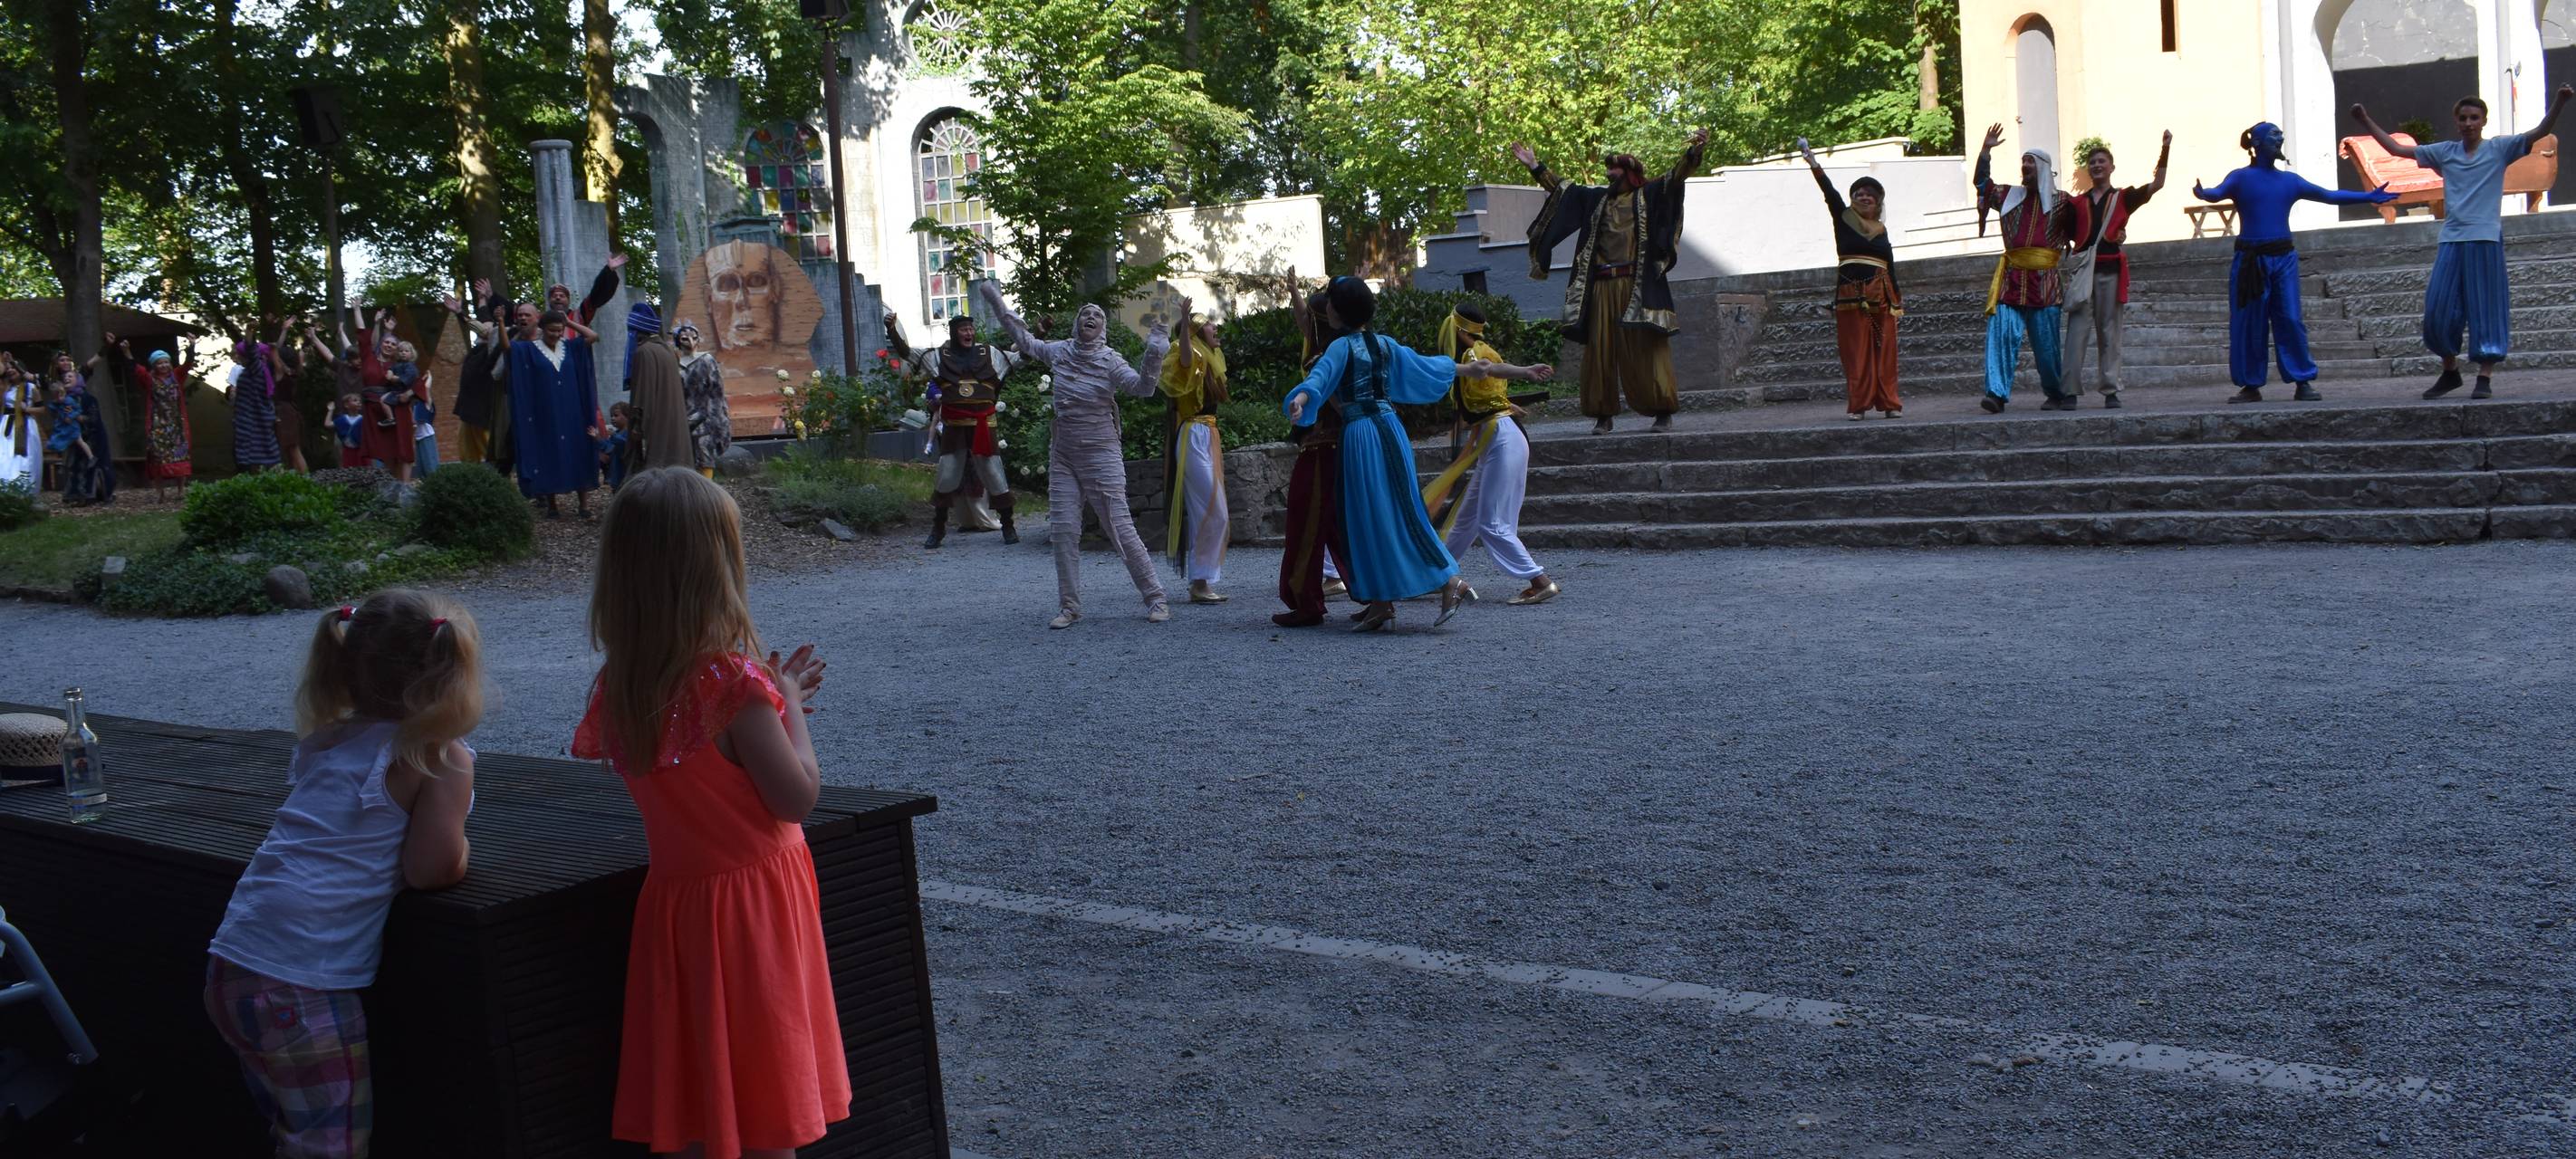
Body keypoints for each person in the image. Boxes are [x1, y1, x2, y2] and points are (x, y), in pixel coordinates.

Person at [572, 468, 848, 1159]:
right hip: (752, 913)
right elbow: (796, 797)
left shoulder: (622, 684)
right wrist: (788, 708)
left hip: (679, 912)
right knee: (768, 1101)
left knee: (709, 1094)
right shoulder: (734, 685)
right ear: (716, 566)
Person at [203, 590, 481, 1159]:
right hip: (302, 982)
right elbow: (431, 870)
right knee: (329, 1146)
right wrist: (464, 848)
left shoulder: (327, 740)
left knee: (291, 1128)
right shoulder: (439, 756)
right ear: (448, 674)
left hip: (234, 962)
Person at [1283, 277, 1552, 632]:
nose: (1327, 308)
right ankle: (1381, 602)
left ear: (1338, 310)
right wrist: (1468, 369)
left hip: (1363, 433)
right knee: (1380, 514)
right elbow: (1424, 365)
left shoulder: (1340, 348)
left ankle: (1449, 582)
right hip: (1389, 428)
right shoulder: (1383, 343)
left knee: (1378, 515)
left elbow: (1319, 379)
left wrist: (1301, 400)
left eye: (1331, 302)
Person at [2353, 85, 2574, 400]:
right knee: (2438, 311)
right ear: (2456, 122)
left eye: (2474, 117)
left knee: (2486, 309)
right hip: (2452, 240)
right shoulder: (2445, 152)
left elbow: (2539, 131)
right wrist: (2365, 120)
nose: (2469, 123)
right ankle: (2450, 371)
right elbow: (2396, 150)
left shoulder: (2500, 149)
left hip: (2484, 238)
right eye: (2463, 118)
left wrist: (2560, 102)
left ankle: (2484, 376)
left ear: (2483, 121)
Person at [976, 280, 1173, 629]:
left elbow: (1143, 388)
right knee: (1064, 531)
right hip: (1064, 453)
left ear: (1103, 327)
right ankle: (1070, 607)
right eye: (1086, 313)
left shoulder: (1110, 361)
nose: (1091, 316)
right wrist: (996, 300)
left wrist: (1155, 349)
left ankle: (1156, 597)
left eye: (1097, 315)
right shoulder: (1060, 352)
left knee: (1119, 527)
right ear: (1077, 324)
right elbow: (1024, 341)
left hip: (1101, 453)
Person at [1514, 129, 1708, 434]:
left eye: (1614, 170)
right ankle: (1603, 416)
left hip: (1636, 287)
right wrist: (1535, 167)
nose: (1608, 174)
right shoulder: (1596, 200)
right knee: (1600, 352)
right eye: (1607, 170)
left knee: (1646, 350)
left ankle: (1662, 411)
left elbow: (1676, 178)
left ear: (1629, 173)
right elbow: (1564, 191)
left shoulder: (1647, 195)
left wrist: (1694, 152)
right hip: (1601, 288)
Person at [2192, 122, 2398, 403]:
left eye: (2280, 135)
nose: (2280, 138)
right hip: (2251, 261)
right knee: (2249, 321)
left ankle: (2302, 380)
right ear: (2257, 144)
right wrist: (2205, 194)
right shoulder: (2240, 178)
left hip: (2283, 259)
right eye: (2274, 135)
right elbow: (2218, 192)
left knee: (2290, 318)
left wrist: (2368, 196)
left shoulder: (2290, 181)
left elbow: (2329, 195)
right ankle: (2250, 385)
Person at [1418, 305, 1561, 606]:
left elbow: (1490, 369)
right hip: (1498, 438)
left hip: (1501, 439)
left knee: (1491, 521)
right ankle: (1438, 575)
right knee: (1467, 517)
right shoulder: (1482, 348)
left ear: (1458, 330)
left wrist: (1524, 371)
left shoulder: (1472, 355)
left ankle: (1540, 581)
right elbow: (1490, 389)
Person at [889, 311, 1024, 548]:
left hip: (983, 425)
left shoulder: (989, 353)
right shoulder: (939, 356)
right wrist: (892, 330)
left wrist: (1040, 333)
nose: (968, 333)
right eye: (963, 330)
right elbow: (907, 353)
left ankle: (1008, 527)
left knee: (994, 473)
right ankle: (937, 529)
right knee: (947, 474)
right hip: (955, 427)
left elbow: (1021, 358)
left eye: (970, 329)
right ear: (954, 332)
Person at [1971, 123, 2081, 413]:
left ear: (2043, 167)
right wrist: (1985, 151)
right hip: (2011, 280)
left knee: (2046, 344)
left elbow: (2083, 227)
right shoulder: (2008, 195)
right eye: (2023, 162)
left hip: (2045, 282)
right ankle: (1995, 393)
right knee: (2001, 335)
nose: (2025, 166)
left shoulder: (2063, 201)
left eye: (2030, 161)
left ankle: (2056, 393)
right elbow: (1983, 184)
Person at [2061, 133, 2172, 409]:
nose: (2097, 165)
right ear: (2089, 169)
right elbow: (2064, 233)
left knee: (2110, 332)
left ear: (2111, 167)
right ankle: (2069, 391)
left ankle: (2111, 390)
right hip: (2084, 274)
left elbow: (2157, 184)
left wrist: (2165, 149)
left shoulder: (2124, 197)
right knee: (2076, 332)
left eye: (2102, 161)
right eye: (2093, 162)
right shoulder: (2074, 204)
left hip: (2110, 271)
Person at [1797, 138, 1904, 419]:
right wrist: (1813, 163)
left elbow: (1889, 263)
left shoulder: (1881, 229)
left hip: (1881, 294)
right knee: (1855, 352)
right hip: (1850, 293)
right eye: (1859, 193)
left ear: (1878, 202)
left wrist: (1897, 297)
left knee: (1885, 350)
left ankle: (1890, 404)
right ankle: (1859, 406)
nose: (1864, 197)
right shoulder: (1843, 217)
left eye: (1871, 194)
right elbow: (1829, 192)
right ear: (1852, 198)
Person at [1274, 283, 1353, 627]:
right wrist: (1293, 291)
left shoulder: (1326, 357)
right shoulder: (1341, 348)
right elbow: (1304, 321)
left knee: (1306, 520)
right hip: (1333, 447)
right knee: (1341, 525)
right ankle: (1376, 594)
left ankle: (1307, 602)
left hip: (1324, 449)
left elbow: (1335, 399)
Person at [495, 309, 602, 518]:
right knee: (549, 452)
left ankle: (584, 504)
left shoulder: (570, 347)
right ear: (541, 329)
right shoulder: (529, 349)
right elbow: (507, 347)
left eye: (559, 330)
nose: (556, 334)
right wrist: (500, 321)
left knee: (578, 450)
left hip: (572, 411)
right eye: (552, 330)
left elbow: (592, 336)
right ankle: (552, 504)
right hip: (545, 412)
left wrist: (569, 323)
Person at [1159, 312, 1229, 601]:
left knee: (1215, 512)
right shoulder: (1189, 355)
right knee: (1213, 512)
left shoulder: (1211, 359)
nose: (1216, 328)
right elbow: (1185, 359)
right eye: (1209, 325)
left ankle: (1202, 582)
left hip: (1209, 434)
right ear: (1195, 333)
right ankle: (1200, 583)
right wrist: (1186, 331)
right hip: (1193, 436)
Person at [442, 284, 506, 466]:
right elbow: (484, 321)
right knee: (468, 456)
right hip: (468, 412)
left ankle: (500, 488)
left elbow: (484, 328)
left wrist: (460, 313)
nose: (483, 328)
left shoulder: (497, 349)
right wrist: (483, 299)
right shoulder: (478, 349)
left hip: (484, 413)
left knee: (491, 455)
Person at [625, 307, 693, 474]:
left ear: (637, 332)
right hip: (675, 419)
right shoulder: (668, 350)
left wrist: (638, 426)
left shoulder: (644, 352)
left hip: (657, 422)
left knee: (659, 468)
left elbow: (644, 393)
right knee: (677, 464)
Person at [127, 343, 195, 500]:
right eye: (159, 363)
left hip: (176, 424)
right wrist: (127, 351)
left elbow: (188, 364)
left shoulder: (177, 376)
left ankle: (181, 491)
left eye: (165, 362)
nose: (163, 365)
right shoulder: (150, 380)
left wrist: (191, 346)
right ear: (154, 365)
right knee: (157, 457)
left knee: (180, 456)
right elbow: (137, 370)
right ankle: (160, 492)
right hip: (158, 425)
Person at [43, 357, 110, 504]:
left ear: (78, 379)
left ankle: (87, 495)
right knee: (71, 467)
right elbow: (57, 414)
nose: (67, 378)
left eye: (70, 376)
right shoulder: (62, 399)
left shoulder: (86, 398)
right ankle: (72, 495)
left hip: (86, 437)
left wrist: (80, 418)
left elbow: (93, 418)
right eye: (65, 377)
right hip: (69, 437)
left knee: (85, 466)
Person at [676, 321, 731, 479]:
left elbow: (716, 392)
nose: (690, 341)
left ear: (699, 339)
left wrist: (716, 418)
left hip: (706, 417)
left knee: (705, 455)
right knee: (687, 459)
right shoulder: (676, 364)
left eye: (694, 337)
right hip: (684, 417)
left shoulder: (706, 360)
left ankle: (707, 493)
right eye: (685, 338)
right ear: (678, 341)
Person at [234, 332, 287, 473]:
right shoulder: (262, 370)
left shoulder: (255, 370)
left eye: (239, 354)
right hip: (257, 422)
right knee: (268, 457)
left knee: (258, 462)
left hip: (253, 425)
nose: (237, 357)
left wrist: (249, 331)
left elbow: (252, 350)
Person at [548, 253, 627, 328]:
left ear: (568, 300)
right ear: (549, 300)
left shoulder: (579, 316)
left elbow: (595, 295)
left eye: (562, 296)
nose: (558, 298)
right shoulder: (542, 320)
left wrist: (608, 270)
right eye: (554, 296)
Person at [1, 360, 40, 488]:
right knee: (5, 456)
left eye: (14, 368)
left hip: (24, 424)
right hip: (7, 424)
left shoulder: (31, 387)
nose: (11, 370)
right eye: (9, 368)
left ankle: (24, 490)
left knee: (22, 458)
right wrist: (5, 362)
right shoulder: (6, 387)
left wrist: (27, 409)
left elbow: (42, 409)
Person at [599, 402, 633, 492]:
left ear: (627, 416)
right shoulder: (617, 432)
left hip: (624, 468)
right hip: (616, 467)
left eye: (616, 415)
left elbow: (624, 443)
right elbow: (608, 447)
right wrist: (597, 438)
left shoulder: (628, 433)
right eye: (611, 416)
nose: (612, 418)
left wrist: (614, 436)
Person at [332, 393, 370, 468]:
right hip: (347, 450)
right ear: (346, 405)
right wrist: (330, 410)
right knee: (348, 468)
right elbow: (327, 424)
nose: (359, 402)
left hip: (361, 449)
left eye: (360, 401)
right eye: (355, 400)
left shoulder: (363, 419)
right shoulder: (342, 419)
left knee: (364, 469)